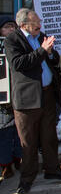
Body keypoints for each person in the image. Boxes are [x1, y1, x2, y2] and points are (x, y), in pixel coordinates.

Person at [4, 9, 61, 194]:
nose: (39, 25)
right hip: (27, 100)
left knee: (49, 137)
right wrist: (42, 51)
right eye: (35, 22)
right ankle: (27, 179)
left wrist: (49, 53)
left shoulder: (41, 36)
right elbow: (19, 64)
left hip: (47, 94)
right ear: (23, 25)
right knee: (29, 141)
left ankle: (52, 170)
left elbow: (53, 58)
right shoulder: (12, 40)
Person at [0, 17, 21, 180]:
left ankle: (18, 158)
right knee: (5, 131)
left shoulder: (19, 45)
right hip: (3, 99)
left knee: (18, 130)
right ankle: (6, 164)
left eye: (13, 26)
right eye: (7, 27)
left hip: (18, 94)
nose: (11, 30)